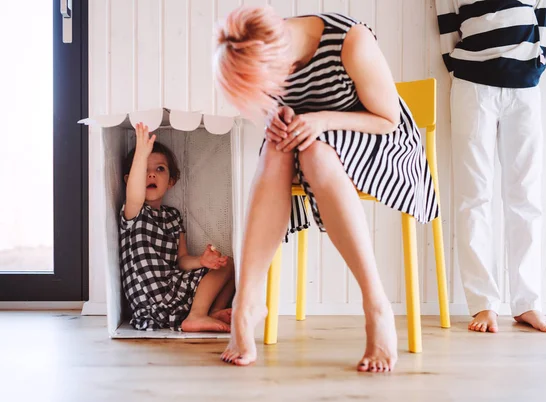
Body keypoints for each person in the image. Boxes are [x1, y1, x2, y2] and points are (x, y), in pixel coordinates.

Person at [214, 7, 438, 372]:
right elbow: (271, 107)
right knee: (276, 149)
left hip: (379, 139)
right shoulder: (262, 54)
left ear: (279, 62)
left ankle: (375, 303)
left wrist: (320, 120)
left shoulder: (351, 43)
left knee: (316, 152)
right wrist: (274, 117)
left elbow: (388, 119)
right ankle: (247, 301)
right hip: (306, 141)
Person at [435, 0, 546, 333]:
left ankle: (527, 302)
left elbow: (541, 16)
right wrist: (460, 71)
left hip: (525, 89)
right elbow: (447, 27)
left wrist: (536, 65)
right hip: (472, 88)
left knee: (526, 196)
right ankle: (483, 303)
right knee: (473, 196)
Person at [119, 122, 236, 333]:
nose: (151, 174)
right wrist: (140, 154)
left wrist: (202, 261)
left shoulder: (173, 216)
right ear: (130, 180)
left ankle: (210, 313)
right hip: (149, 297)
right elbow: (135, 193)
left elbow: (182, 260)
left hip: (173, 291)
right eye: (145, 169)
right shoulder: (134, 212)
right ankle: (197, 316)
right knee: (226, 266)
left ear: (171, 181)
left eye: (159, 169)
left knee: (228, 264)